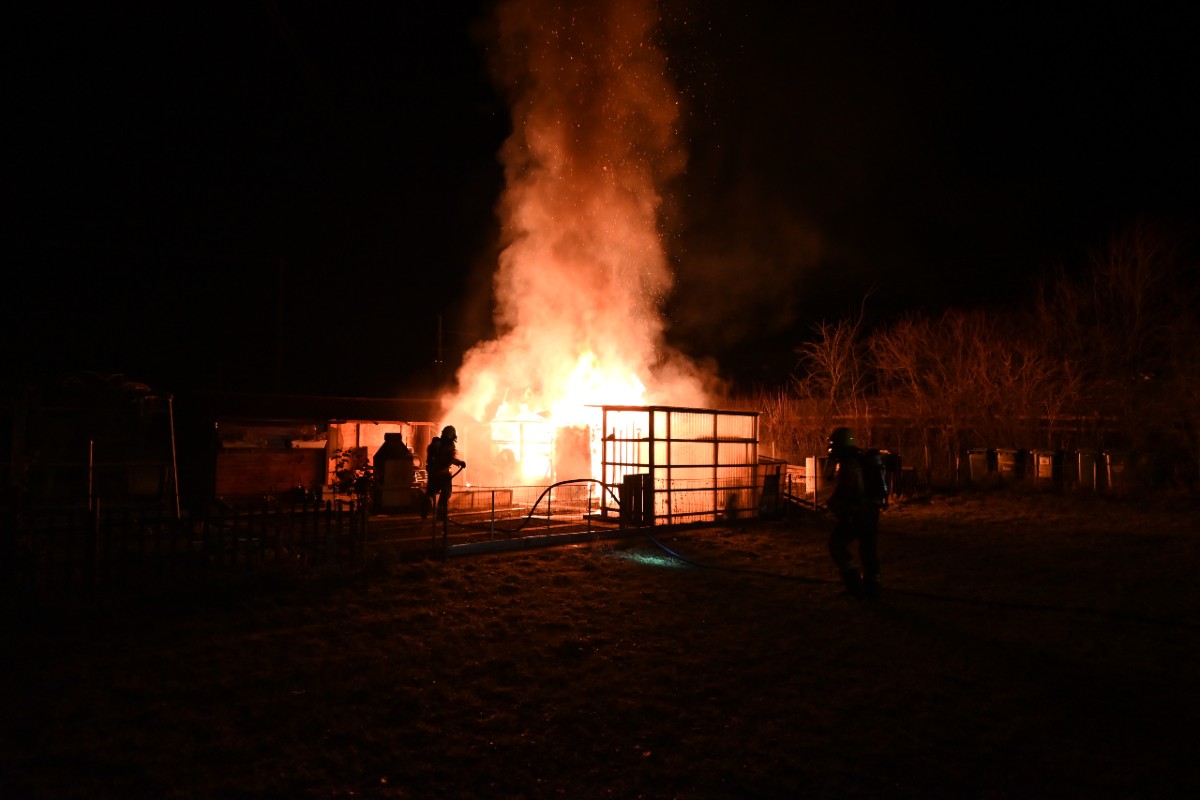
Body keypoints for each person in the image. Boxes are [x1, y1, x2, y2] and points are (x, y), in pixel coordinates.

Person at [825, 426, 883, 598]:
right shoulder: (859, 460)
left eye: (834, 445)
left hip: (857, 514)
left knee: (836, 544)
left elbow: (849, 490)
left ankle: (854, 582)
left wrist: (835, 504)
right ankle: (872, 587)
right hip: (871, 513)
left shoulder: (849, 464)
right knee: (868, 550)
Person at [423, 425, 466, 522]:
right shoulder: (448, 445)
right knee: (446, 493)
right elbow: (449, 458)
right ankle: (440, 513)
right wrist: (459, 462)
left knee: (430, 492)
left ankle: (424, 512)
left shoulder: (436, 444)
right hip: (443, 473)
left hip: (433, 472)